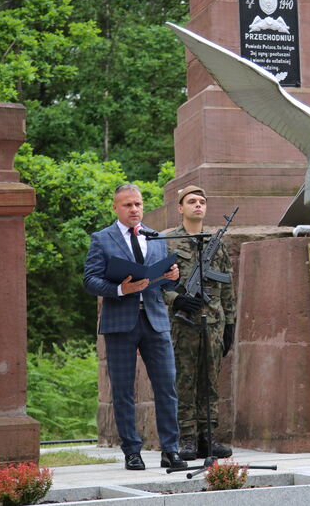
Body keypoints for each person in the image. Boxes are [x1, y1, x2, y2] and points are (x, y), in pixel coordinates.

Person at [83, 183, 187, 470]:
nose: (134, 209)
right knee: (123, 390)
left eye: (138, 204)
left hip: (155, 320)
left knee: (166, 386)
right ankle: (132, 451)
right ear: (116, 207)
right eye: (128, 205)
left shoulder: (155, 237)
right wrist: (120, 290)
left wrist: (173, 276)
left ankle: (171, 450)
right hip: (120, 322)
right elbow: (90, 281)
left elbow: (165, 284)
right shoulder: (101, 239)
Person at [163, 185, 236, 460]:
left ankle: (208, 437)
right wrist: (176, 300)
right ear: (180, 208)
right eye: (191, 201)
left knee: (210, 381)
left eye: (202, 202)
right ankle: (188, 438)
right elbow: (155, 283)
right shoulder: (167, 242)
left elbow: (228, 286)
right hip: (183, 324)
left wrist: (230, 324)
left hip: (214, 322)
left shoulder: (216, 243)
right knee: (185, 380)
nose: (198, 205)